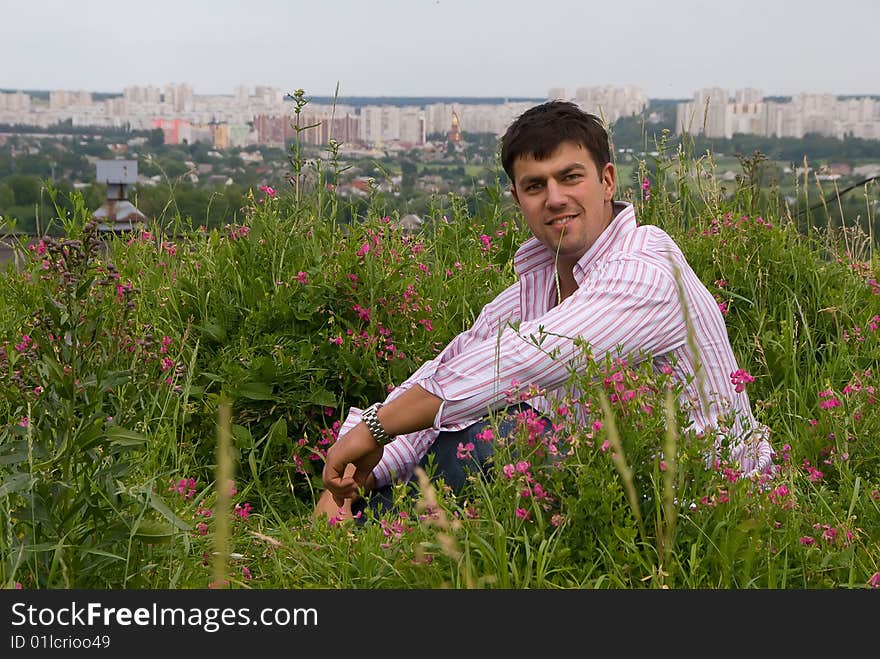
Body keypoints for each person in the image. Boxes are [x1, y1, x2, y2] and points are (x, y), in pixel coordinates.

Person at [315, 100, 773, 519]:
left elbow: (518, 361)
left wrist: (376, 429)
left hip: (710, 512)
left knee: (506, 439)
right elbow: (451, 372)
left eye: (570, 177)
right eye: (535, 185)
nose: (554, 198)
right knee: (464, 431)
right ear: (518, 200)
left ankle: (370, 541)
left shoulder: (648, 272)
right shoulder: (531, 291)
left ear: (607, 180)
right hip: (605, 502)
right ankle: (360, 537)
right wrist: (360, 471)